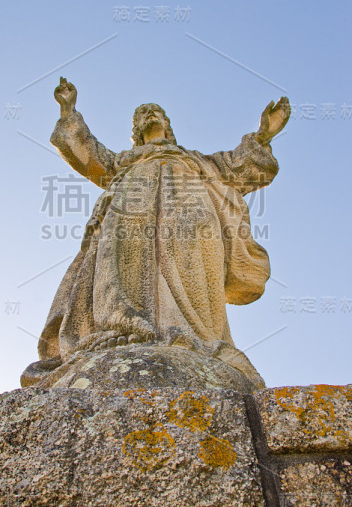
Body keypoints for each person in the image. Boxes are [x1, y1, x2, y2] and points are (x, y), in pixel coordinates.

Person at [37, 78, 290, 366]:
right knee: (123, 262)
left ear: (167, 124)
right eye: (143, 113)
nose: (150, 115)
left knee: (193, 265)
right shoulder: (127, 160)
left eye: (155, 111)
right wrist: (68, 111)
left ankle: (198, 339)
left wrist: (264, 135)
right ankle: (126, 329)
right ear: (136, 129)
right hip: (131, 203)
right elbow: (90, 154)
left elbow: (236, 165)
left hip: (190, 206)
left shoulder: (195, 159)